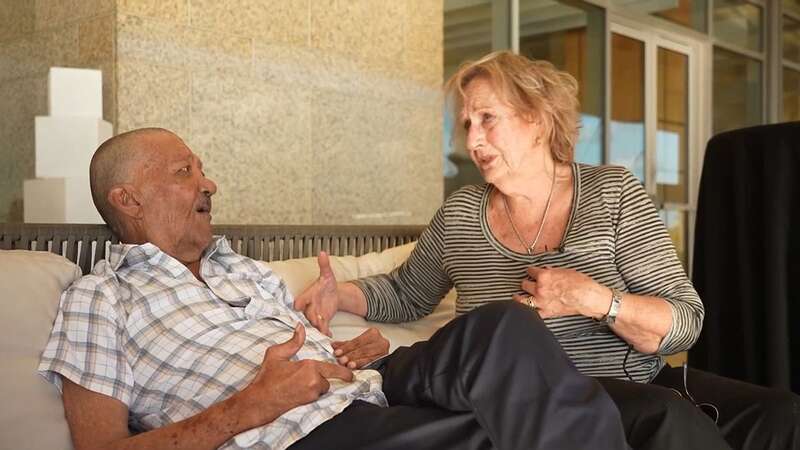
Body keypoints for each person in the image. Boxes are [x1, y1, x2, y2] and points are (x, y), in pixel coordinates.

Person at [295, 51, 800, 450]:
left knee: (782, 415)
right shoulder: (461, 213)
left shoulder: (612, 193)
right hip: (541, 393)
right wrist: (339, 293)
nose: (472, 139)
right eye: (467, 124)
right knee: (668, 420)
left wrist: (595, 299)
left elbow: (685, 323)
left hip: (639, 378)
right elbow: (406, 293)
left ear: (537, 119)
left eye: (488, 118)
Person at [37, 127, 629, 450]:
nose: (209, 182)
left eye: (201, 167)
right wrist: (249, 406)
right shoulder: (101, 298)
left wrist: (352, 346)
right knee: (511, 429)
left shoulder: (237, 268)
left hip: (378, 386)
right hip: (308, 432)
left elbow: (323, 346)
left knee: (506, 324)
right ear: (128, 199)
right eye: (183, 171)